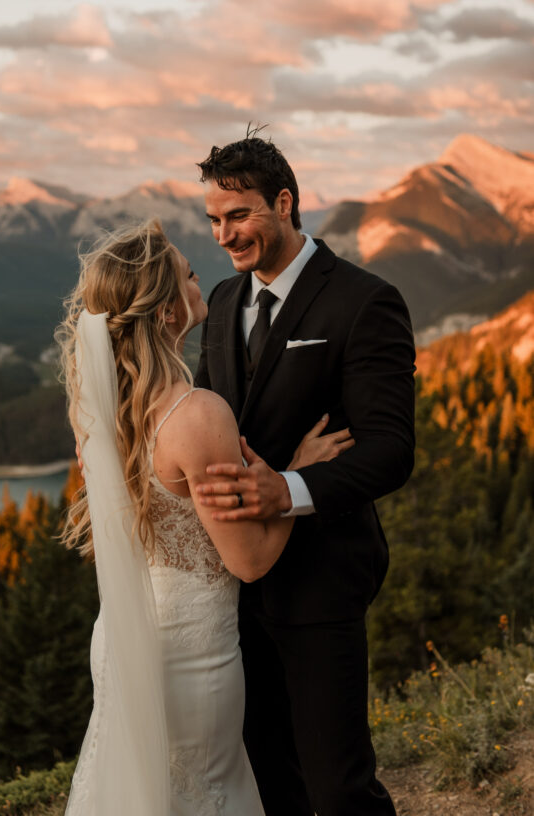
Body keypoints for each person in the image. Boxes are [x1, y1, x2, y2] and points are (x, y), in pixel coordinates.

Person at [57, 221, 352, 816]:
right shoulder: (196, 413)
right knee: (206, 793)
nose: (203, 280)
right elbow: (250, 560)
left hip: (122, 637)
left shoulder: (100, 409)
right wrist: (294, 473)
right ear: (167, 313)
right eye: (190, 275)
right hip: (193, 652)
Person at [193, 131, 416, 816]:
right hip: (237, 580)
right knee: (267, 780)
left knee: (339, 786)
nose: (225, 236)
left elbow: (389, 450)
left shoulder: (363, 300)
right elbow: (208, 417)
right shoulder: (225, 301)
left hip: (323, 579)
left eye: (239, 215)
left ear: (284, 202)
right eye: (214, 220)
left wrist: (287, 489)